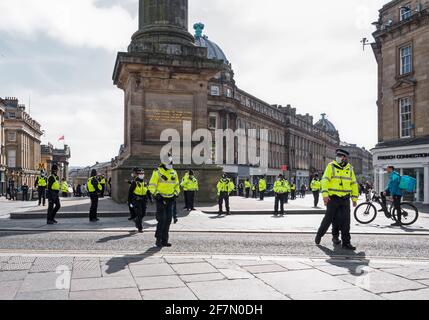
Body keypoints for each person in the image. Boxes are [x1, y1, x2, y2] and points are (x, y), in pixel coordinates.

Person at [315, 149, 359, 250]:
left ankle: (346, 243)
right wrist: (325, 195)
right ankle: (319, 235)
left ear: (345, 158)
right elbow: (325, 180)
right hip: (333, 198)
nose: (338, 157)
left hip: (345, 199)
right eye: (338, 155)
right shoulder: (331, 166)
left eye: (340, 156)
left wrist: (354, 198)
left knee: (345, 221)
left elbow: (353, 184)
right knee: (329, 219)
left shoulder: (350, 168)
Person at [148, 155, 180, 248]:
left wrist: (176, 194)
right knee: (162, 220)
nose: (171, 163)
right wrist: (157, 195)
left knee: (168, 220)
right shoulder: (157, 172)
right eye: (169, 162)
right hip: (161, 199)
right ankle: (158, 240)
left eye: (171, 162)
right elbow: (151, 185)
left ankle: (165, 240)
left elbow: (177, 185)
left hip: (170, 199)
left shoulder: (174, 172)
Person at [129, 168, 152, 233]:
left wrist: (150, 198)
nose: (142, 175)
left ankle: (137, 221)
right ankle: (140, 227)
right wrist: (129, 201)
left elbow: (148, 191)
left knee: (143, 213)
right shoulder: (134, 182)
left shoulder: (145, 182)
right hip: (136, 200)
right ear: (138, 175)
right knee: (139, 214)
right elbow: (130, 193)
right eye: (140, 174)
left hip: (144, 200)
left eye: (143, 174)